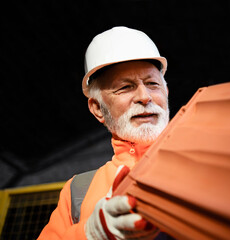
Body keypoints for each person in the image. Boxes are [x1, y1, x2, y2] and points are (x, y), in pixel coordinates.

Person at [38, 26, 170, 239]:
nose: (145, 97)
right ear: (98, 108)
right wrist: (90, 233)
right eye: (125, 87)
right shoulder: (77, 191)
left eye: (152, 84)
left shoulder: (209, 161)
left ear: (165, 92)